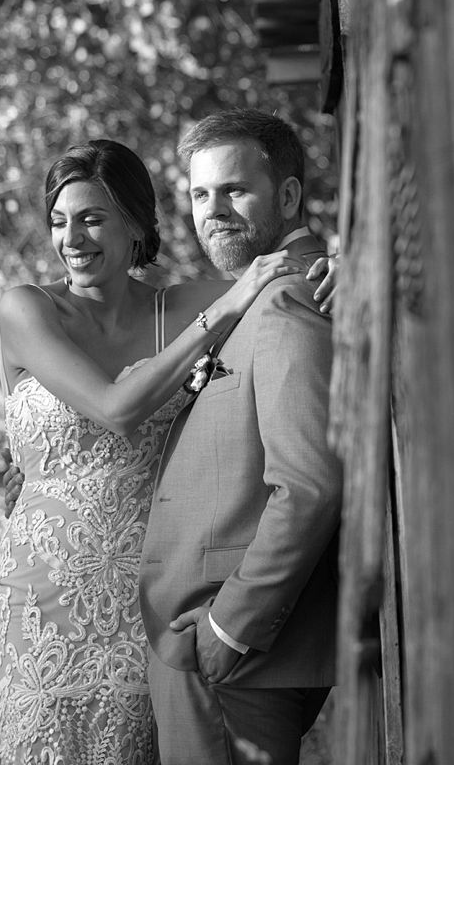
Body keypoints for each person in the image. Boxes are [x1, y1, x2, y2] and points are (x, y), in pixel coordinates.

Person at [0, 138, 331, 765]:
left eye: (92, 218)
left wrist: (345, 267)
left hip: (148, 586)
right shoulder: (26, 308)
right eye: (60, 221)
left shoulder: (179, 306)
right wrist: (226, 306)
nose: (72, 238)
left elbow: (291, 275)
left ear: (136, 225)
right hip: (47, 592)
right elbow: (117, 410)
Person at [139, 109, 345, 765]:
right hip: (220, 659)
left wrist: (229, 628)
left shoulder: (290, 297)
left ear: (288, 195)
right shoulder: (262, 298)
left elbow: (310, 485)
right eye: (200, 194)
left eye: (234, 190)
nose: (212, 209)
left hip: (235, 659)